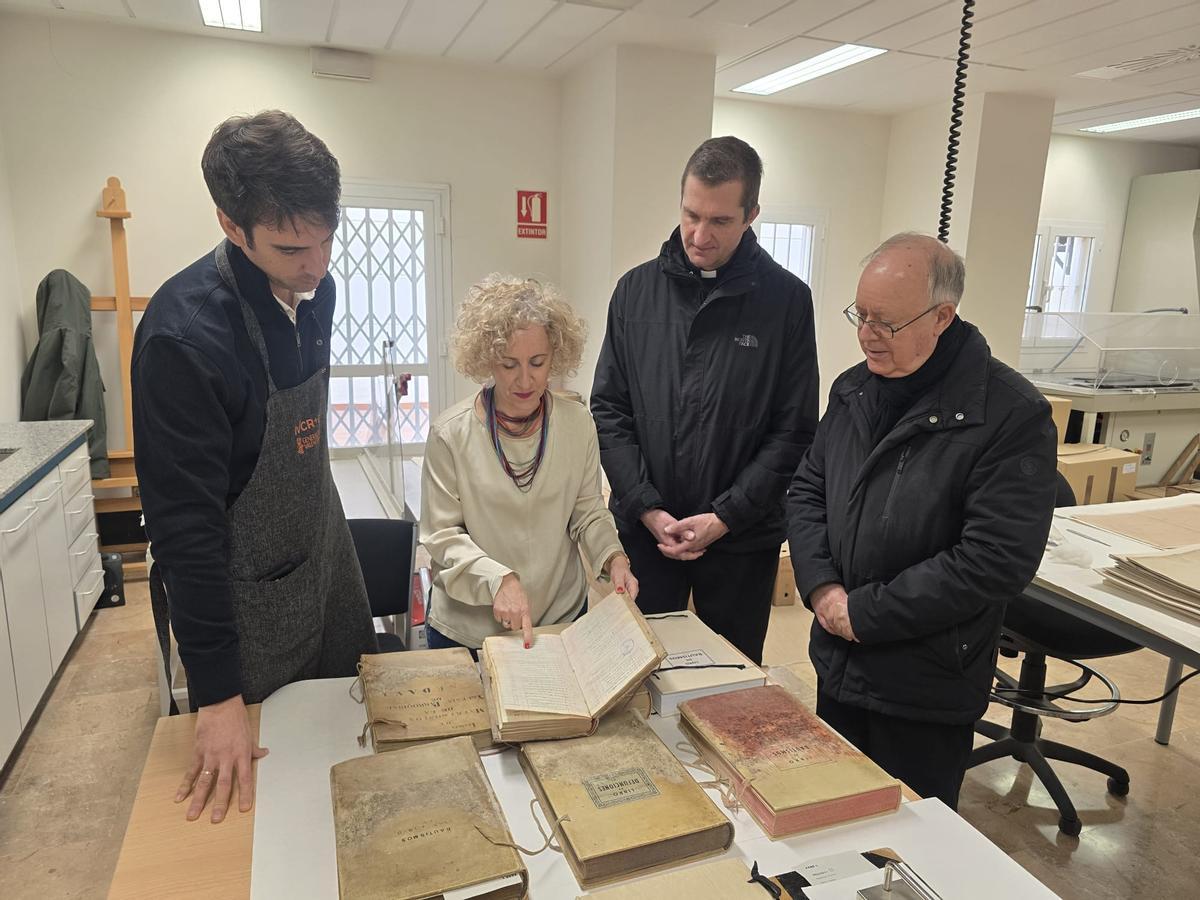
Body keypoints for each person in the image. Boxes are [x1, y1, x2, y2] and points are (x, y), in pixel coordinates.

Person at [132, 111, 377, 825]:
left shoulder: (314, 289)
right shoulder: (185, 340)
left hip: (324, 556)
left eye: (328, 239)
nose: (318, 265)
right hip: (246, 597)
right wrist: (214, 694)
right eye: (294, 247)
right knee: (277, 802)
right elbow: (185, 532)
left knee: (352, 748)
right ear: (230, 225)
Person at [787, 232, 1058, 809]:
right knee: (834, 815)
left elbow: (994, 560)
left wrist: (863, 612)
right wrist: (823, 589)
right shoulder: (854, 388)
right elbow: (810, 489)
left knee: (907, 847)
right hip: (839, 658)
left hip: (924, 682)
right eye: (860, 316)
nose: (866, 335)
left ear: (942, 317)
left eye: (885, 322)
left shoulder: (1010, 414)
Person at [590, 136, 818, 664]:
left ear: (751, 214)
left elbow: (794, 429)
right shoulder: (634, 292)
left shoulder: (786, 302)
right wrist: (645, 507)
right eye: (691, 214)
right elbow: (609, 411)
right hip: (648, 531)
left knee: (731, 679)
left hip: (741, 536)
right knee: (637, 674)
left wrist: (725, 516)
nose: (699, 234)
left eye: (719, 221)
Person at [421, 275, 638, 651]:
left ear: (556, 354)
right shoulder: (450, 434)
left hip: (560, 620)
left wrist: (613, 556)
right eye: (508, 364)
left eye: (538, 362)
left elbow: (587, 512)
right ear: (487, 359)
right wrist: (498, 579)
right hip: (471, 630)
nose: (525, 379)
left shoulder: (577, 424)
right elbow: (442, 537)